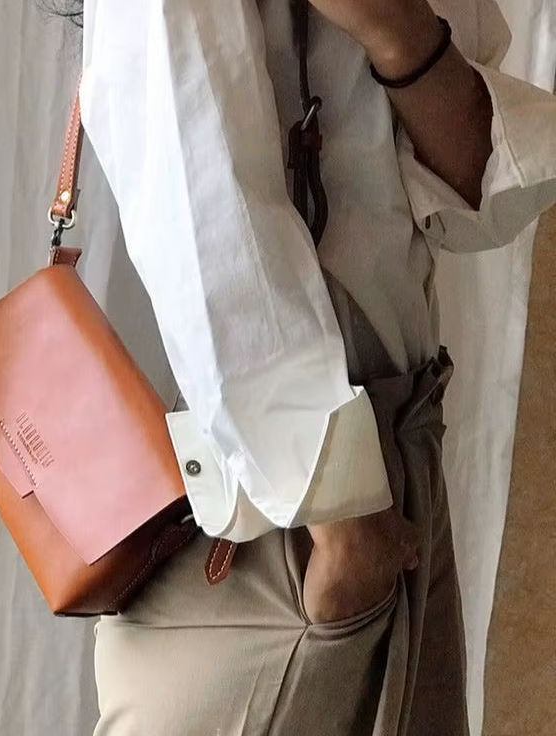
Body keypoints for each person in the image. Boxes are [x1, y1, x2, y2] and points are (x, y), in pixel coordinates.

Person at [63, 0, 556, 733]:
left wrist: (395, 30)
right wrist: (343, 530)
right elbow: (199, 214)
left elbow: (478, 196)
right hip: (288, 512)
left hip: (397, 465)